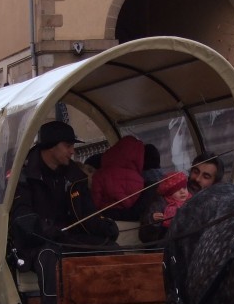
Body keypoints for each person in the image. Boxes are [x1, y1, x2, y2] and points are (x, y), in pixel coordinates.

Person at [10, 120, 118, 292]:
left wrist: (104, 225)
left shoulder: (75, 177)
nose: (72, 151)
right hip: (36, 244)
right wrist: (48, 230)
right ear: (51, 146)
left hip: (68, 238)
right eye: (68, 145)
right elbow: (22, 217)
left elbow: (87, 213)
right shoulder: (23, 176)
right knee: (49, 255)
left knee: (110, 249)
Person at [90, 136, 146, 221]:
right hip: (128, 223)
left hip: (106, 220)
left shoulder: (101, 174)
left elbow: (94, 204)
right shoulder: (140, 180)